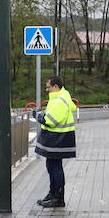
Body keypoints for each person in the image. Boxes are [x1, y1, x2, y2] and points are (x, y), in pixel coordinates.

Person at [34, 76, 77, 208]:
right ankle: (53, 195)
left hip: (57, 139)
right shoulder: (60, 98)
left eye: (48, 87)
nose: (46, 89)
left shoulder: (59, 100)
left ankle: (57, 198)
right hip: (59, 139)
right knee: (52, 166)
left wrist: (38, 115)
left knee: (55, 168)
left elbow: (50, 121)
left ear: (56, 86)